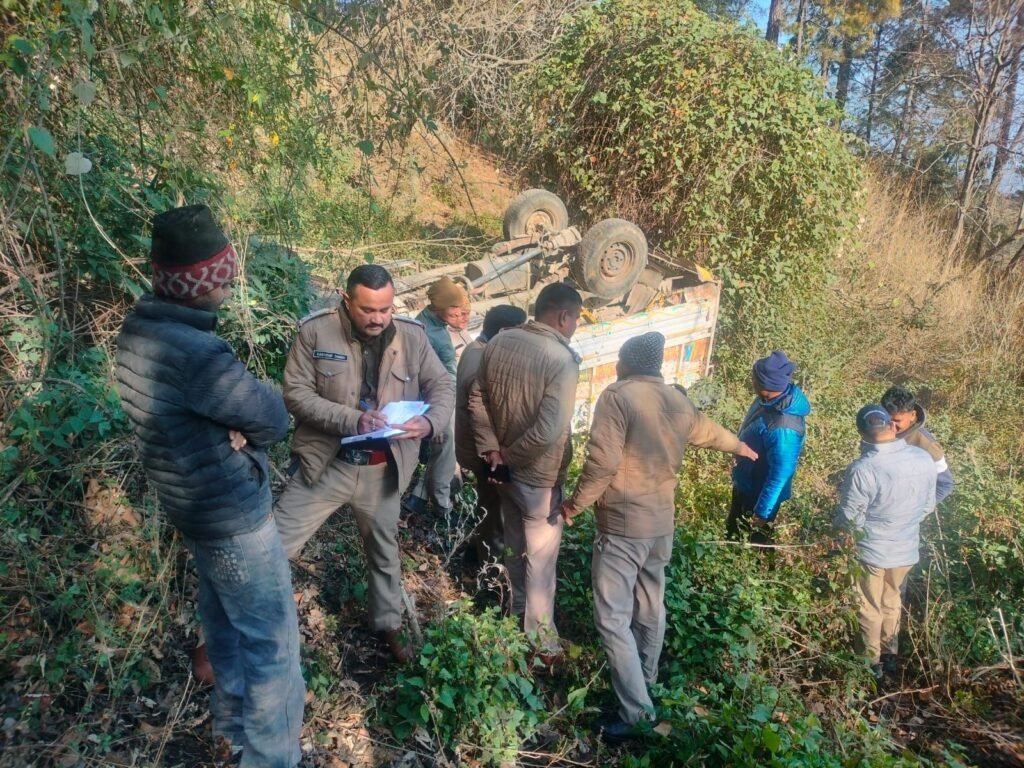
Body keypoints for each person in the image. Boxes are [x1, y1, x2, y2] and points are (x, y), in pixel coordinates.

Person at [115, 205, 303, 767]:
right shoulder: (198, 353)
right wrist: (240, 424)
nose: (228, 283)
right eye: (222, 274)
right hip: (233, 518)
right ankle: (271, 758)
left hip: (191, 509)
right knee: (272, 644)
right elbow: (272, 417)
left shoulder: (140, 328)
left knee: (224, 624)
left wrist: (227, 424)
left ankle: (232, 733)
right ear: (201, 283)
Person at [560, 333, 757, 742]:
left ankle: (636, 713)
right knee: (650, 606)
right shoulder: (676, 400)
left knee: (612, 618)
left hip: (622, 525)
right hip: (660, 526)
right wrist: (741, 447)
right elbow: (710, 432)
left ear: (624, 363)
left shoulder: (618, 397)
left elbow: (603, 463)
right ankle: (646, 682)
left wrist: (573, 506)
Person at [273, 264, 455, 662]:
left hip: (382, 470)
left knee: (385, 556)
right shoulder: (315, 332)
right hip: (326, 464)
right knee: (274, 547)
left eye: (385, 309)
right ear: (346, 300)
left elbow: (442, 384)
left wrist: (429, 422)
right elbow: (296, 394)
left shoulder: (412, 336)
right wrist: (351, 418)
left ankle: (388, 627)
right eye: (368, 310)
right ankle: (236, 633)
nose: (378, 319)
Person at [468, 282, 583, 660]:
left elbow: (477, 396)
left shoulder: (499, 342)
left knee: (516, 546)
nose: (576, 326)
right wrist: (512, 457)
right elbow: (549, 431)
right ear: (563, 316)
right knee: (542, 562)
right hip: (538, 477)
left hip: (502, 472)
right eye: (577, 318)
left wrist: (492, 451)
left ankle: (514, 616)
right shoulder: (561, 360)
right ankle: (541, 641)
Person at [833, 404, 936, 680]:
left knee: (868, 606)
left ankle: (871, 665)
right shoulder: (922, 458)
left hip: (872, 551)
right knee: (892, 600)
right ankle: (890, 656)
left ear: (861, 434)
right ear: (892, 425)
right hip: (906, 549)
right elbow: (928, 506)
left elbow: (849, 520)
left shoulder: (862, 469)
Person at [454, 305, 527, 564]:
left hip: (477, 450)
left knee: (491, 512)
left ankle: (483, 558)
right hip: (485, 454)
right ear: (505, 332)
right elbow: (482, 413)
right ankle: (492, 574)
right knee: (496, 518)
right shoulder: (483, 362)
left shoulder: (476, 349)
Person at [728, 350, 810, 546]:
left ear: (766, 385)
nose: (751, 381)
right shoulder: (767, 400)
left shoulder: (784, 426)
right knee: (733, 533)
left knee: (752, 544)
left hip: (758, 494)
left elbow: (781, 473)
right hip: (747, 482)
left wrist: (763, 511)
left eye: (754, 378)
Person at [404, 277, 469, 517]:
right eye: (453, 308)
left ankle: (419, 497)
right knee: (445, 449)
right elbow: (429, 376)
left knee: (442, 449)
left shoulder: (425, 323)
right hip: (436, 400)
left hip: (436, 396)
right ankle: (442, 505)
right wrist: (436, 415)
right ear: (439, 306)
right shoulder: (430, 333)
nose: (458, 312)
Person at [881, 385, 954, 502]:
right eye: (887, 419)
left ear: (912, 415)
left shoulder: (926, 445)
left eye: (897, 421)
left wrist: (919, 512)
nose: (891, 426)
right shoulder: (877, 427)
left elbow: (945, 485)